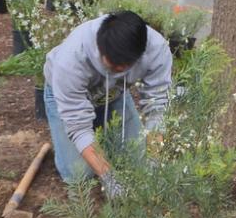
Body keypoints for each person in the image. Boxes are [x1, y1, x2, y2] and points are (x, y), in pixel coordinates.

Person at [43, 11, 174, 196]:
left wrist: (155, 159)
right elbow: (79, 128)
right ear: (100, 48)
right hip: (64, 98)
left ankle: (103, 139)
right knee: (80, 174)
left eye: (126, 66)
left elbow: (157, 107)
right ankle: (65, 151)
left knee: (139, 161)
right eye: (113, 66)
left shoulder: (156, 50)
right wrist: (109, 177)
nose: (120, 70)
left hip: (113, 95)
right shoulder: (71, 60)